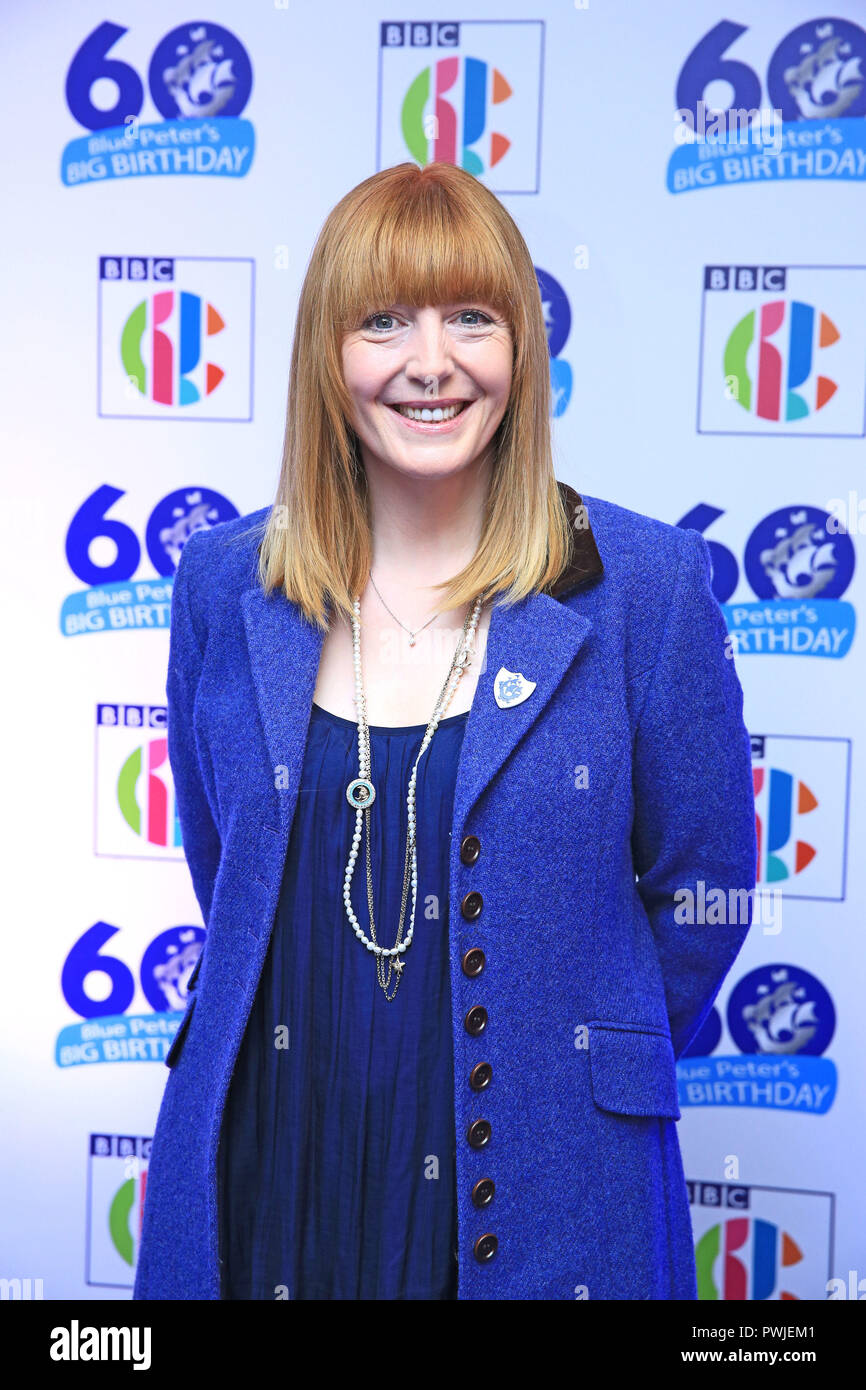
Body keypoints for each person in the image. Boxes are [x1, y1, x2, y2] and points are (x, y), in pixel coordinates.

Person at [133, 161, 757, 1301]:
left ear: (520, 349)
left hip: (549, 1188)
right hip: (271, 1168)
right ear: (328, 356)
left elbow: (700, 888)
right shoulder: (223, 584)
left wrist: (555, 1040)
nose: (431, 361)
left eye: (470, 317)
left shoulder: (645, 587)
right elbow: (227, 866)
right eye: (383, 321)